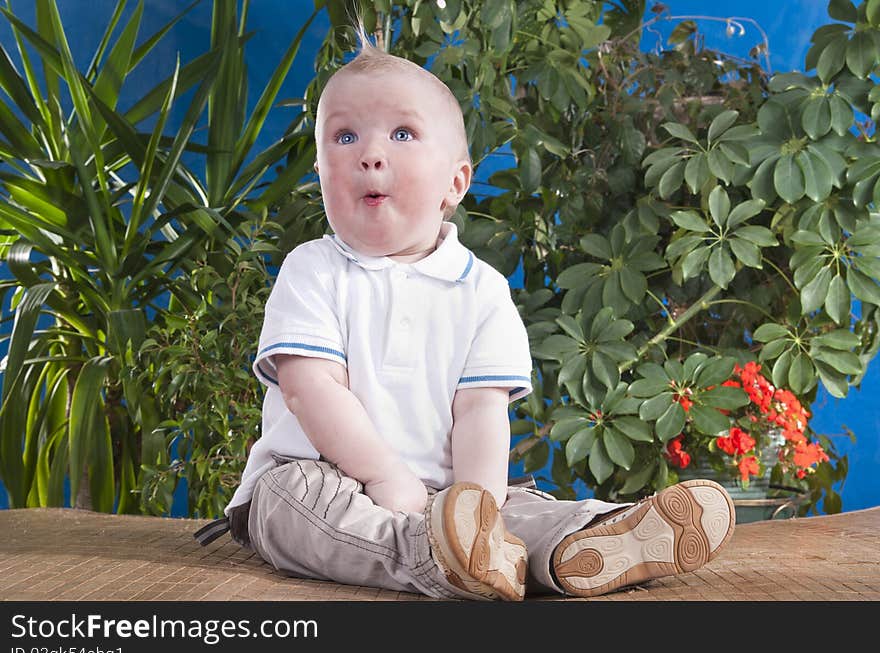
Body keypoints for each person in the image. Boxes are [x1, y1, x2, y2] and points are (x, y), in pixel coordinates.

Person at [198, 22, 736, 601]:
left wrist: (478, 506)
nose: (371, 155)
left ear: (454, 183)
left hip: (447, 493)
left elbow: (482, 412)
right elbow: (310, 390)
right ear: (320, 172)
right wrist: (384, 476)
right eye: (345, 137)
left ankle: (594, 539)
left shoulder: (481, 289)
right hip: (328, 478)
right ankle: (439, 560)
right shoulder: (314, 270)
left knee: (518, 504)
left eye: (402, 134)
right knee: (291, 507)